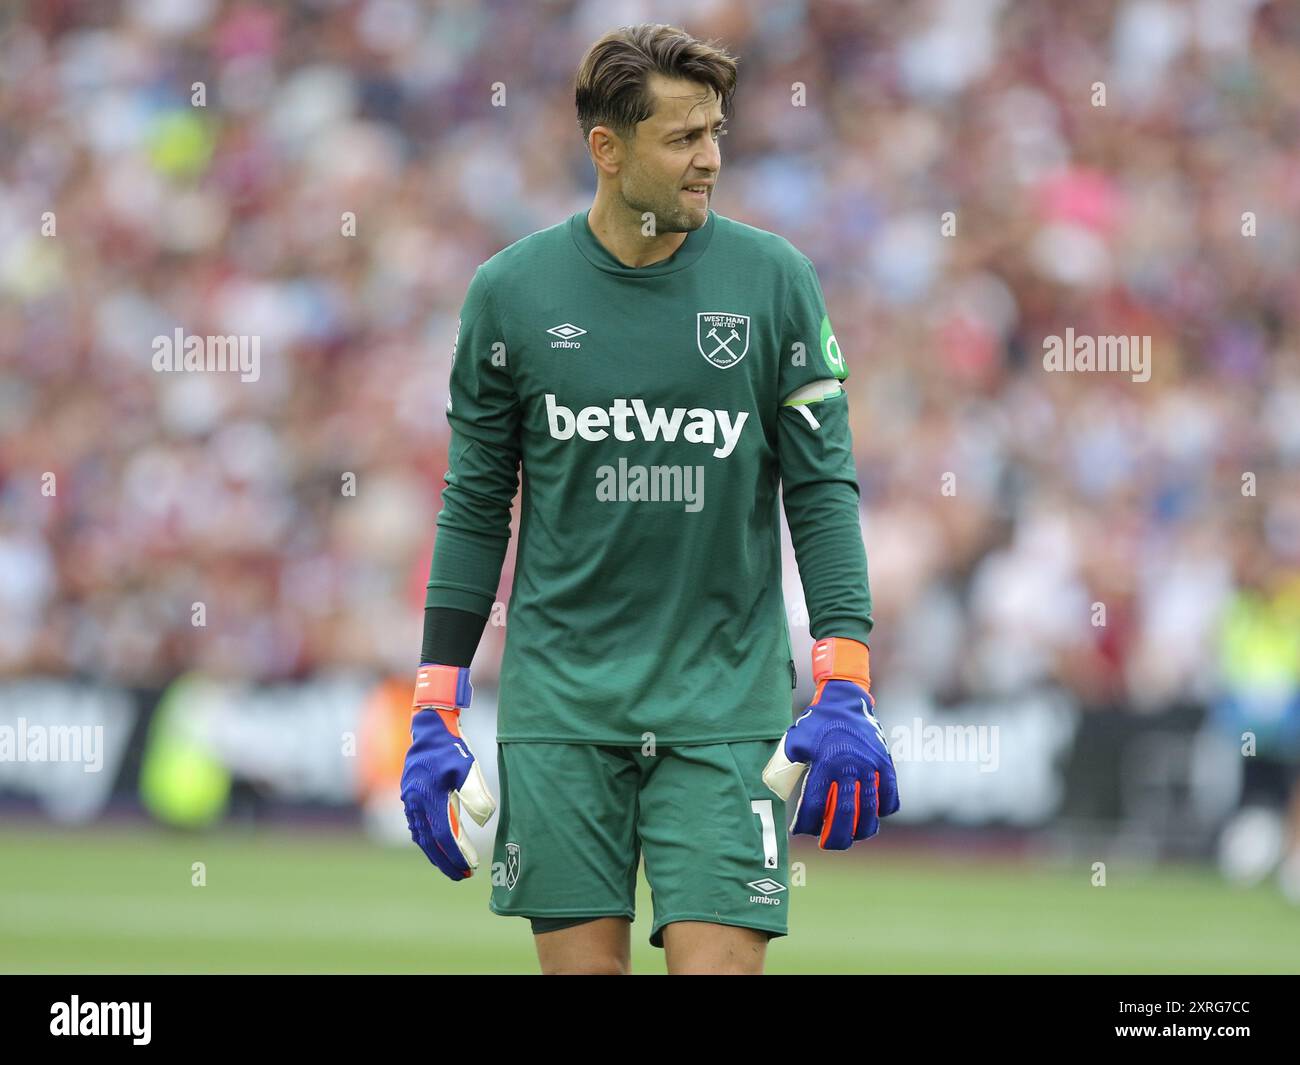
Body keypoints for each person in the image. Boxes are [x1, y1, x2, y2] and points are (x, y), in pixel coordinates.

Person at [400, 22, 898, 975]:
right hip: (562, 705)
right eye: (682, 138)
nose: (710, 158)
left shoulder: (774, 283)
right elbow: (473, 505)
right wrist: (437, 706)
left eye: (716, 132)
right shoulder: (510, 294)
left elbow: (823, 490)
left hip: (723, 707)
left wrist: (846, 677)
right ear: (607, 148)